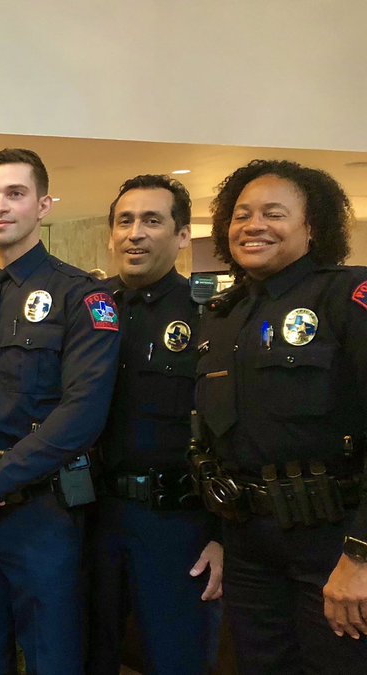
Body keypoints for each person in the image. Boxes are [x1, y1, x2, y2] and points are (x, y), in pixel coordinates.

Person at [0, 148, 120, 674]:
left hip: (44, 514)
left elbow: (81, 414)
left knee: (54, 659)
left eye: (15, 194)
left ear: (43, 205)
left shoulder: (81, 296)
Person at [194, 159, 367, 674]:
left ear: (313, 228)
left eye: (274, 213)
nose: (254, 225)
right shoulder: (223, 317)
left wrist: (360, 556)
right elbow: (217, 438)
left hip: (332, 543)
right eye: (241, 214)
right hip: (249, 546)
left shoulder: (346, 297)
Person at [89, 175, 222, 674]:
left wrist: (223, 539)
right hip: (92, 517)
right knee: (87, 656)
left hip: (177, 523)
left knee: (177, 659)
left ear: (182, 235)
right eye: (125, 221)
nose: (135, 234)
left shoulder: (210, 315)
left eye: (152, 221)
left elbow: (232, 432)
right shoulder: (86, 309)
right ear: (111, 234)